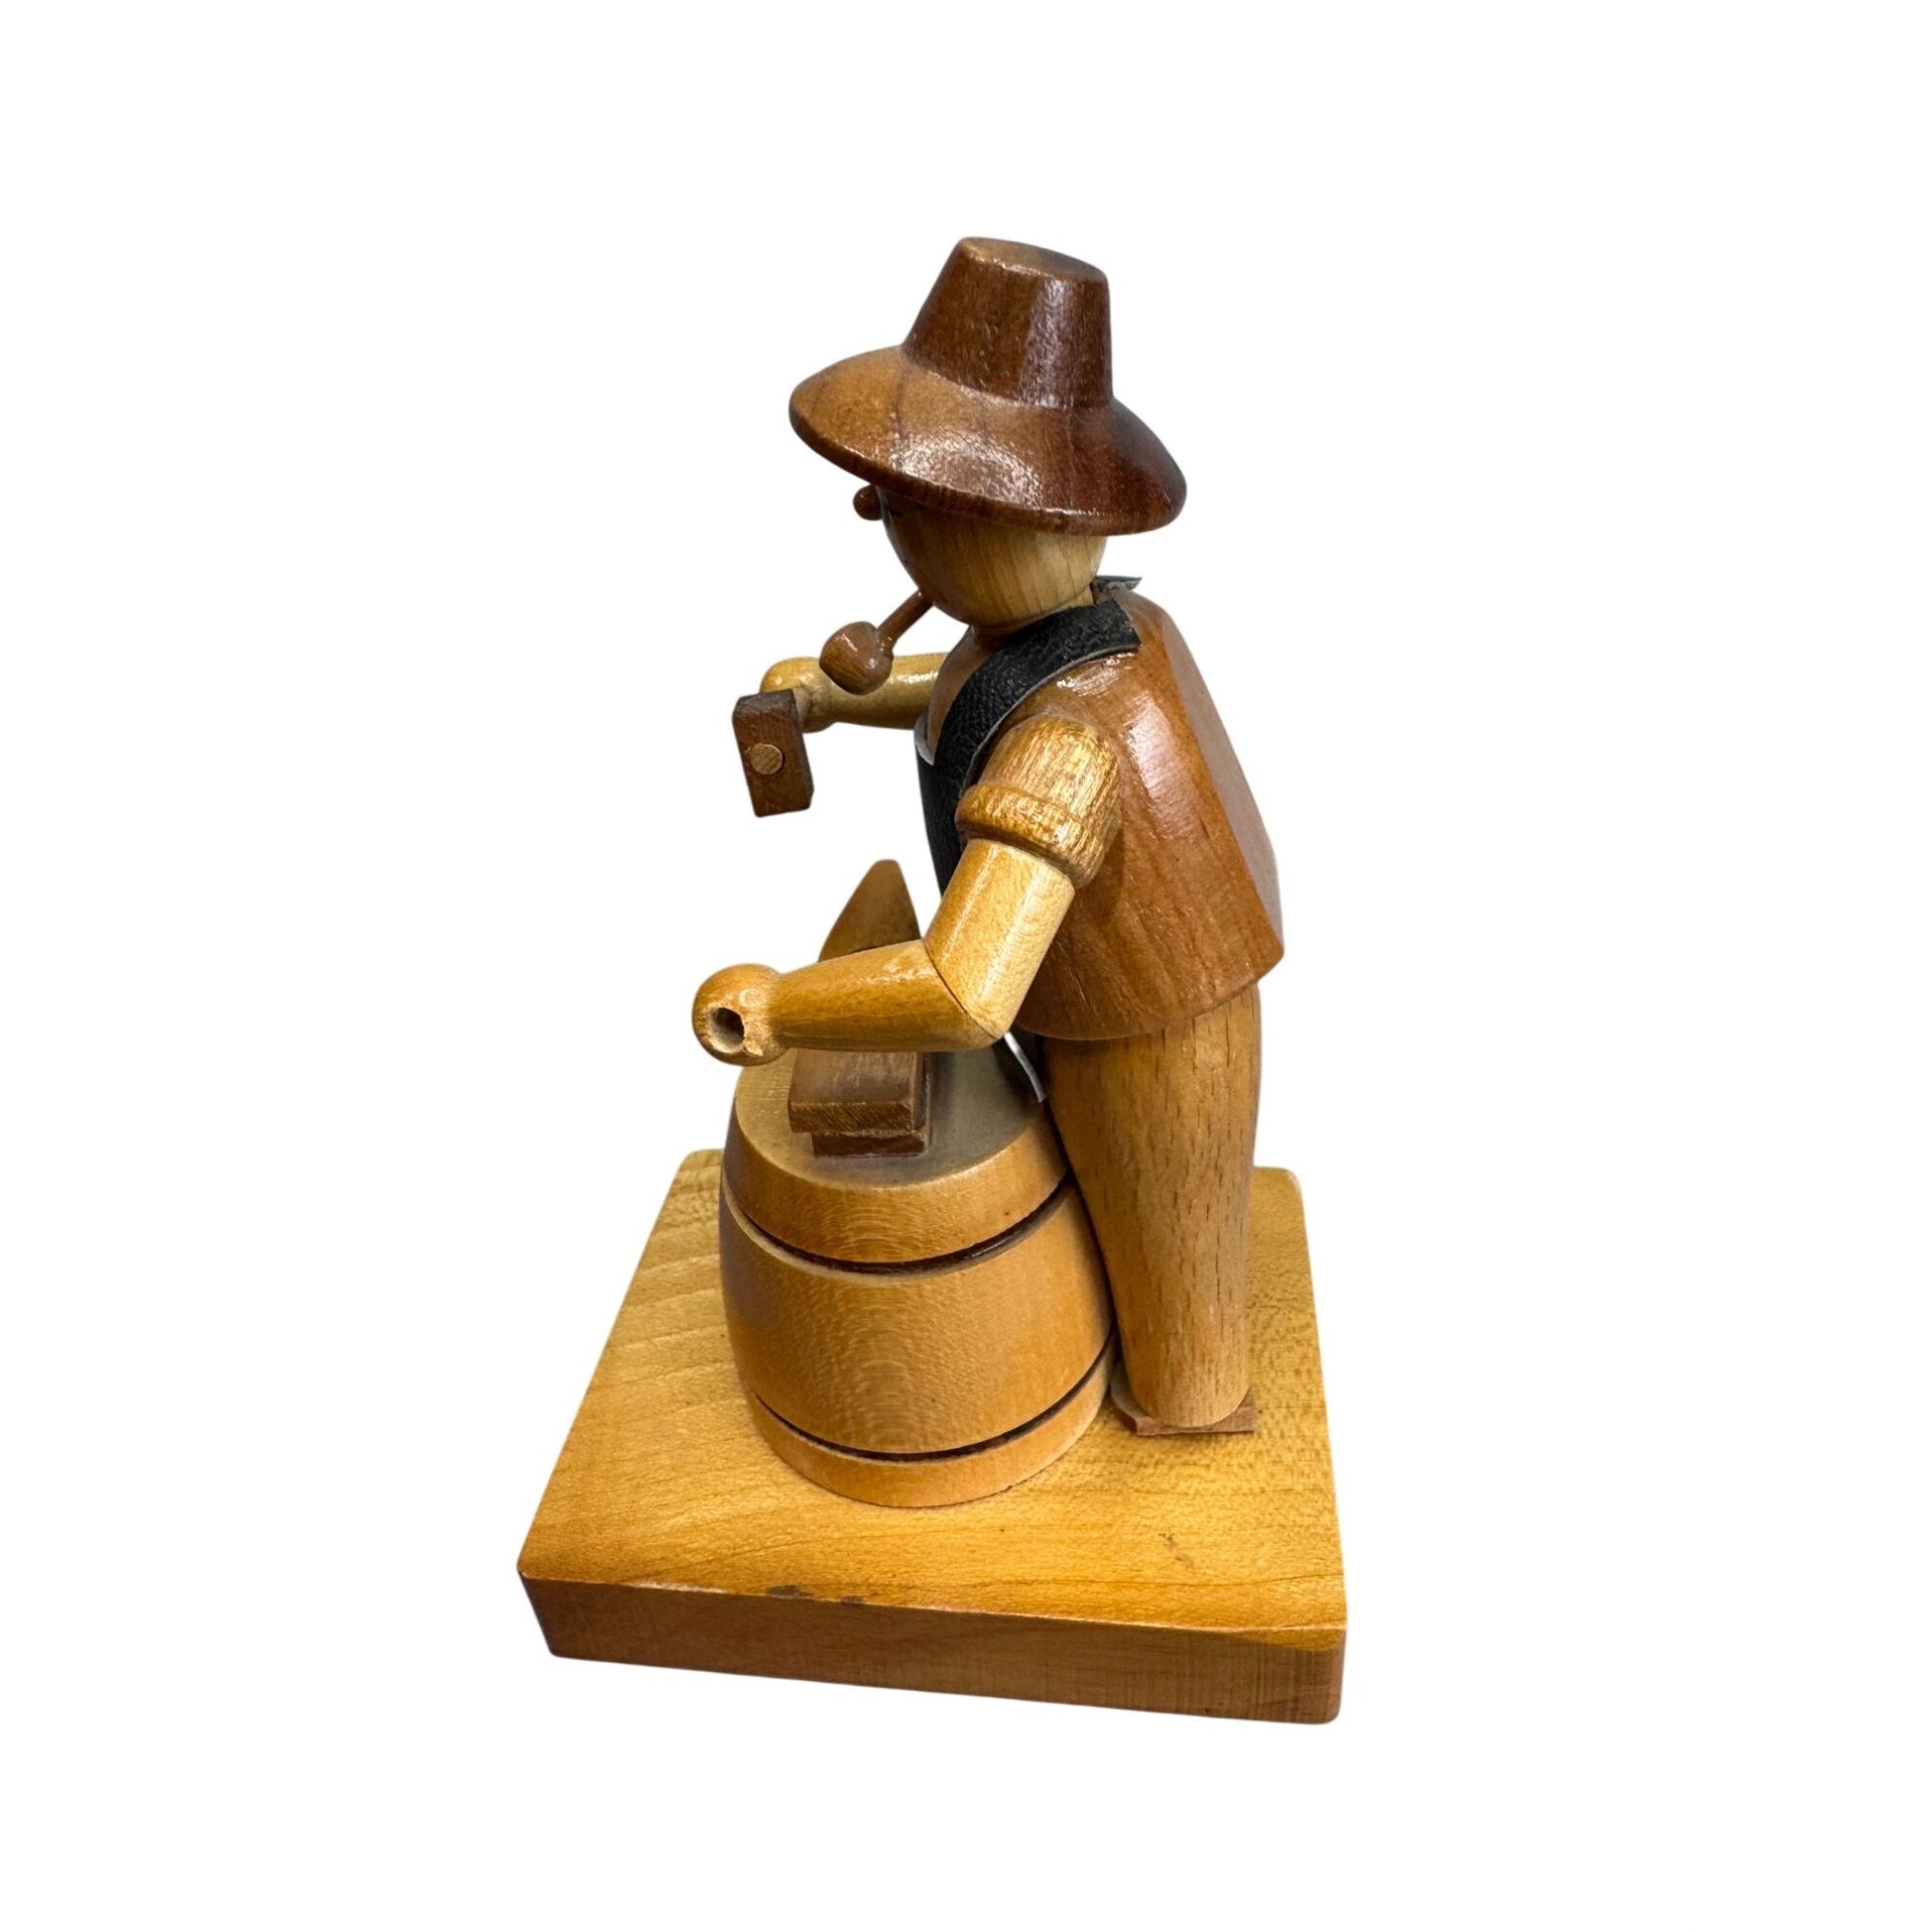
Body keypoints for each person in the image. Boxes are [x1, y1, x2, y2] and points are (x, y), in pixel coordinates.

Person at [694, 238, 1282, 1430]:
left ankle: (1181, 1454)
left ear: (998, 519)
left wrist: (781, 1004)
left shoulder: (1068, 751)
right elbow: (978, 690)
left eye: (907, 500)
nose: (875, 510)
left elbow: (967, 986)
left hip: (1148, 1042)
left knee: (1179, 1340)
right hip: (1092, 1004)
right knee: (1104, 1233)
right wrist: (837, 698)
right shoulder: (1062, 631)